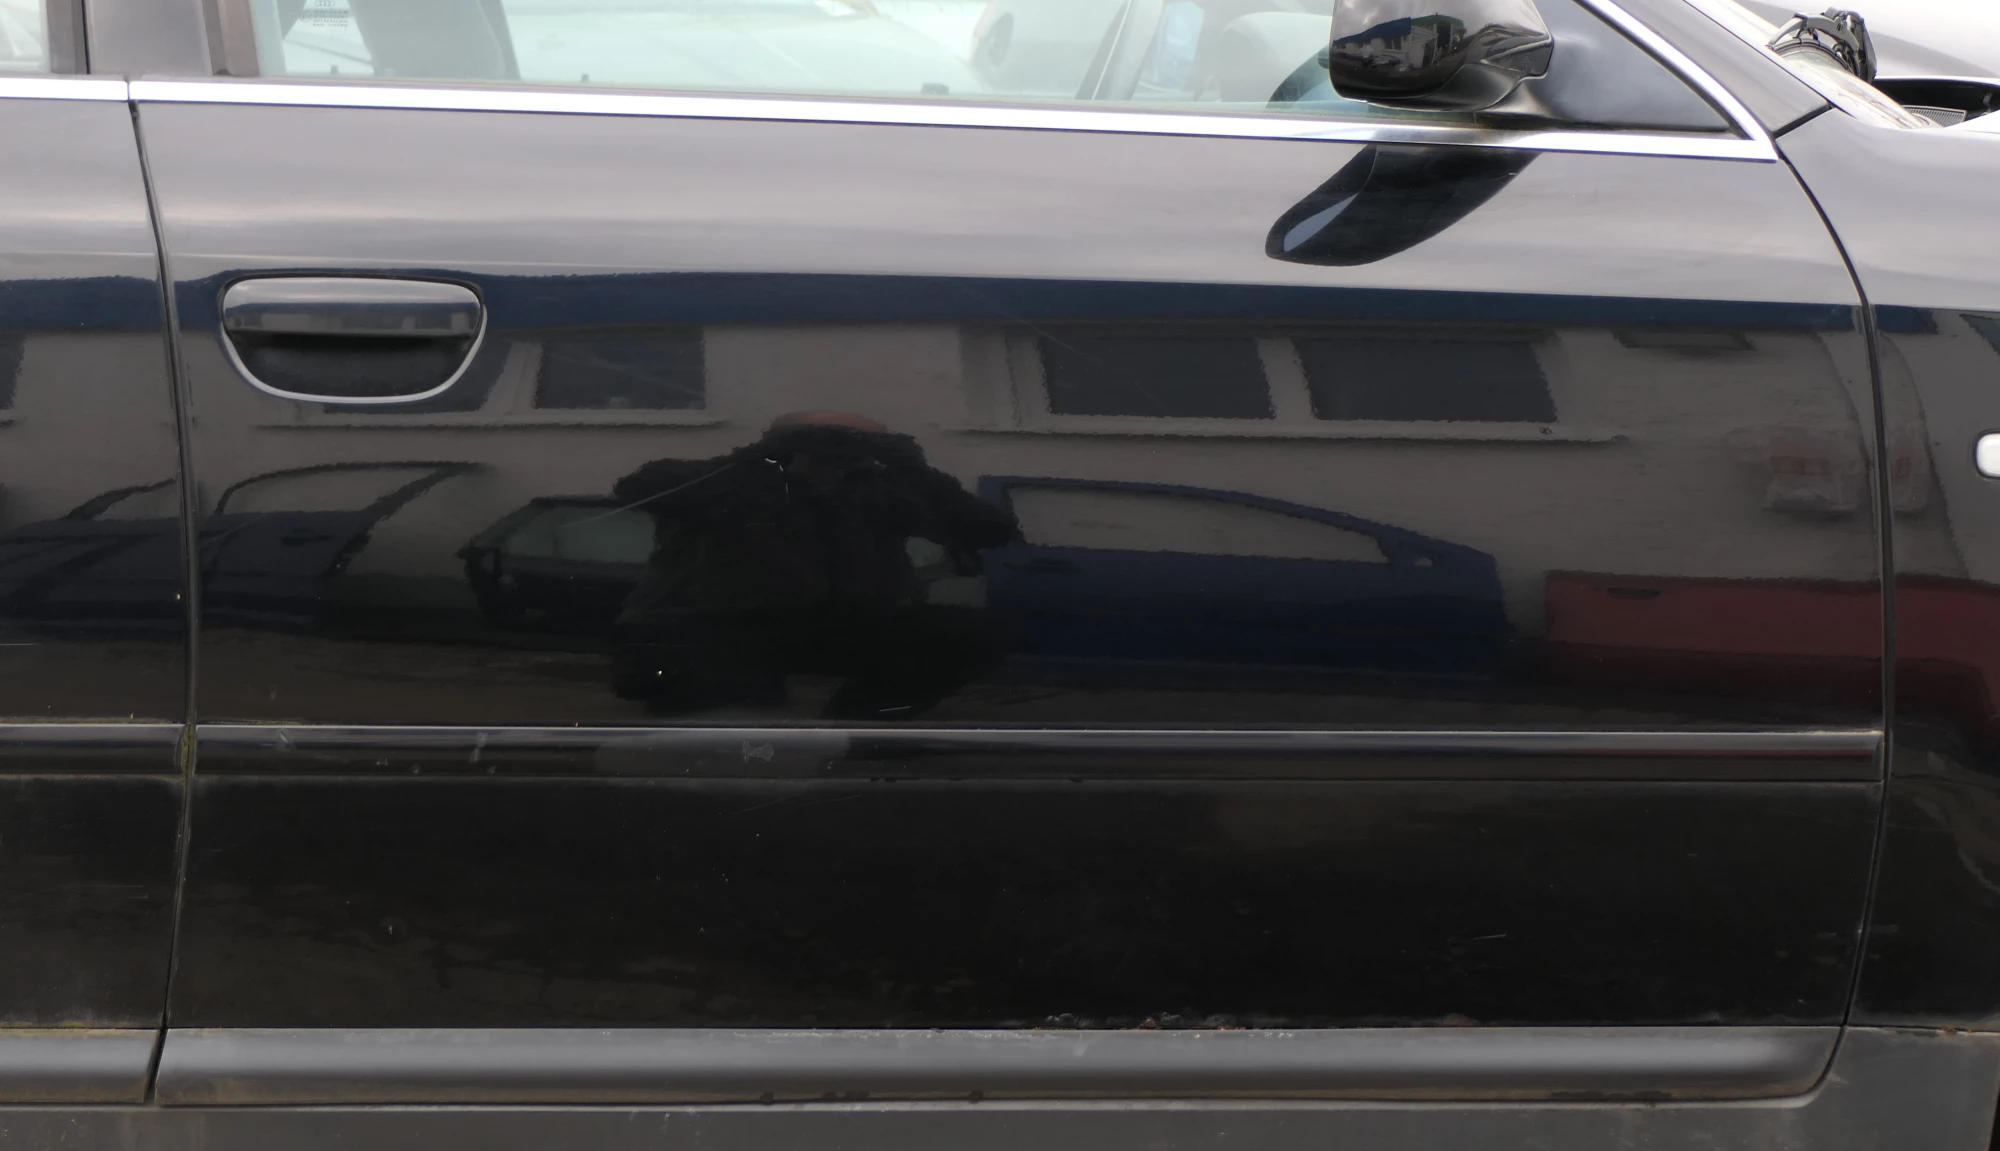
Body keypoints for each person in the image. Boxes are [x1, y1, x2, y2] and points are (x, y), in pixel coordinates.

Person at [609, 412, 1017, 719]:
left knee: (973, 633)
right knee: (740, 719)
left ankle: (859, 728)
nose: (841, 448)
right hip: (711, 626)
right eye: (826, 437)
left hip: (834, 625)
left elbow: (990, 531)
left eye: (865, 439)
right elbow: (637, 489)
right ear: (781, 441)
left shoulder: (884, 492)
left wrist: (915, 469)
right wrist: (756, 459)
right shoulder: (728, 482)